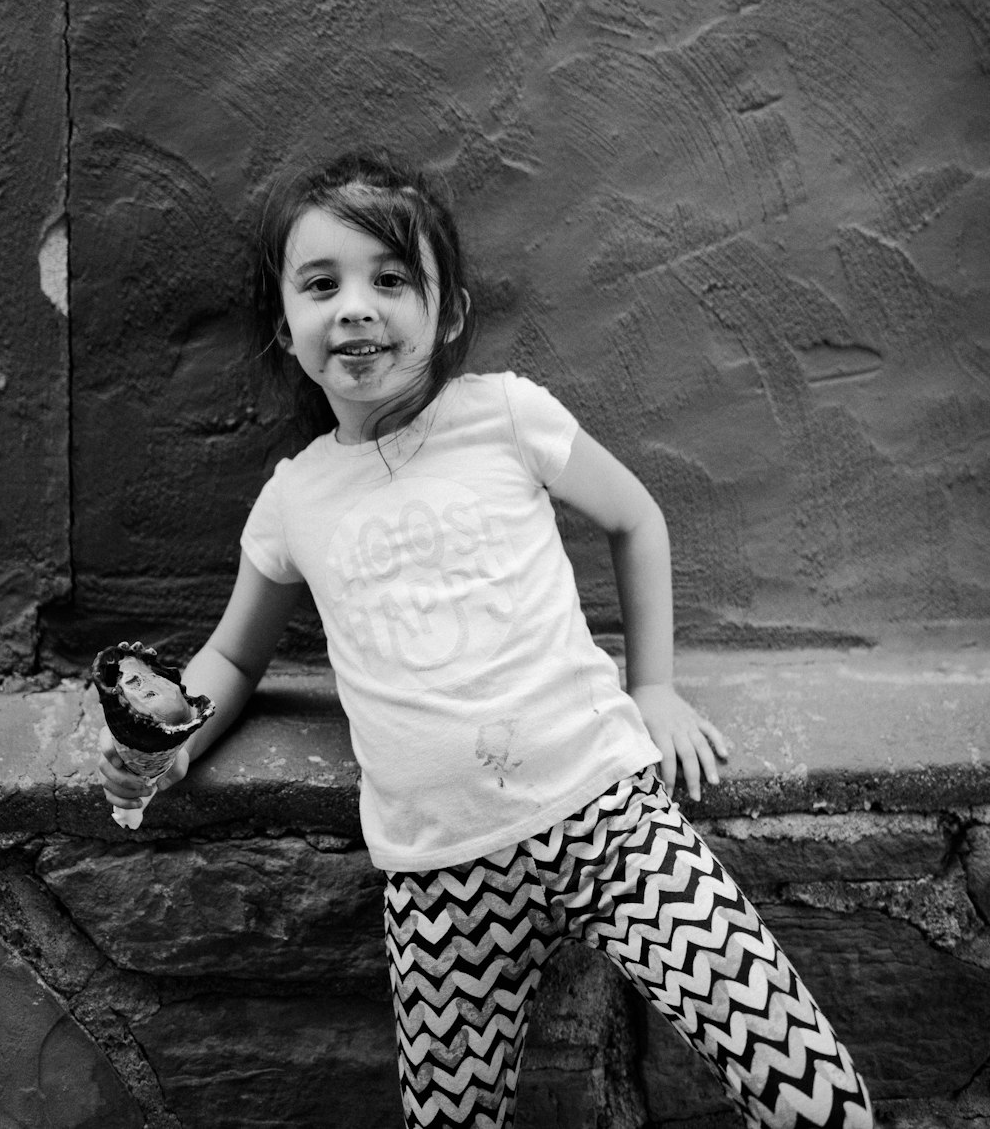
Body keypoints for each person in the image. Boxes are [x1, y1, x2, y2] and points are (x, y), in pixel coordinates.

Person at [97, 149, 873, 1129]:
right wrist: (172, 742)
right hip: (442, 882)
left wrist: (657, 686)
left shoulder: (505, 416)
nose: (355, 307)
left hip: (611, 821)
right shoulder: (295, 499)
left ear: (448, 311)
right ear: (287, 328)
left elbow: (636, 519)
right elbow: (236, 657)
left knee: (809, 1088)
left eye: (391, 279)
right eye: (321, 284)